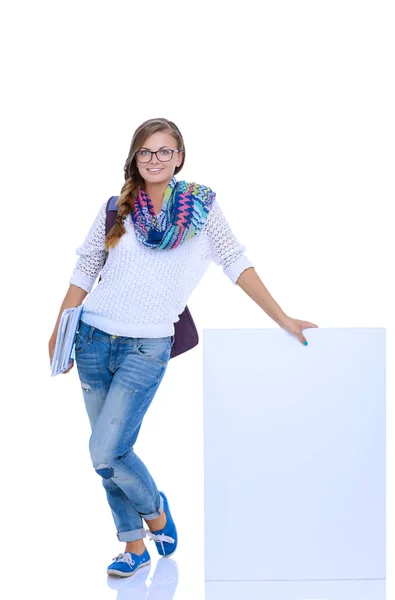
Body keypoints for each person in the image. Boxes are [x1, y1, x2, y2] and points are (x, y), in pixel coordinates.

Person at [48, 117, 318, 577]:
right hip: (93, 337)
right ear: (136, 158)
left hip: (147, 348)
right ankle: (133, 547)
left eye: (165, 151)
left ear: (179, 157)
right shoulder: (117, 207)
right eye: (146, 152)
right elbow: (86, 266)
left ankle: (156, 514)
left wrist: (283, 317)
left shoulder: (201, 210)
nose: (155, 159)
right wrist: (60, 327)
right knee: (107, 453)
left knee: (106, 451)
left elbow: (236, 262)